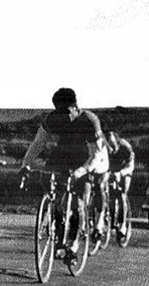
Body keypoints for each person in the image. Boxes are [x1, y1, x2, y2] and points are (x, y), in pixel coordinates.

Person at [19, 87, 110, 255]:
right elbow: (38, 143)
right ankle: (56, 215)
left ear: (75, 107)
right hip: (65, 152)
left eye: (67, 111)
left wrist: (80, 172)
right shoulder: (53, 118)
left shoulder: (89, 120)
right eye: (59, 112)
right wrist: (25, 164)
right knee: (49, 181)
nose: (64, 116)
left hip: (89, 157)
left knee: (78, 200)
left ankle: (74, 242)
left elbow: (96, 155)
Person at [106, 131, 135, 236]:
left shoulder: (125, 148)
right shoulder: (106, 149)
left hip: (125, 171)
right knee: (110, 194)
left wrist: (121, 173)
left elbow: (130, 166)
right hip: (113, 170)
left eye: (113, 144)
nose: (111, 147)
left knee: (122, 194)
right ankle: (110, 219)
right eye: (109, 144)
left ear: (117, 141)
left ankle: (123, 224)